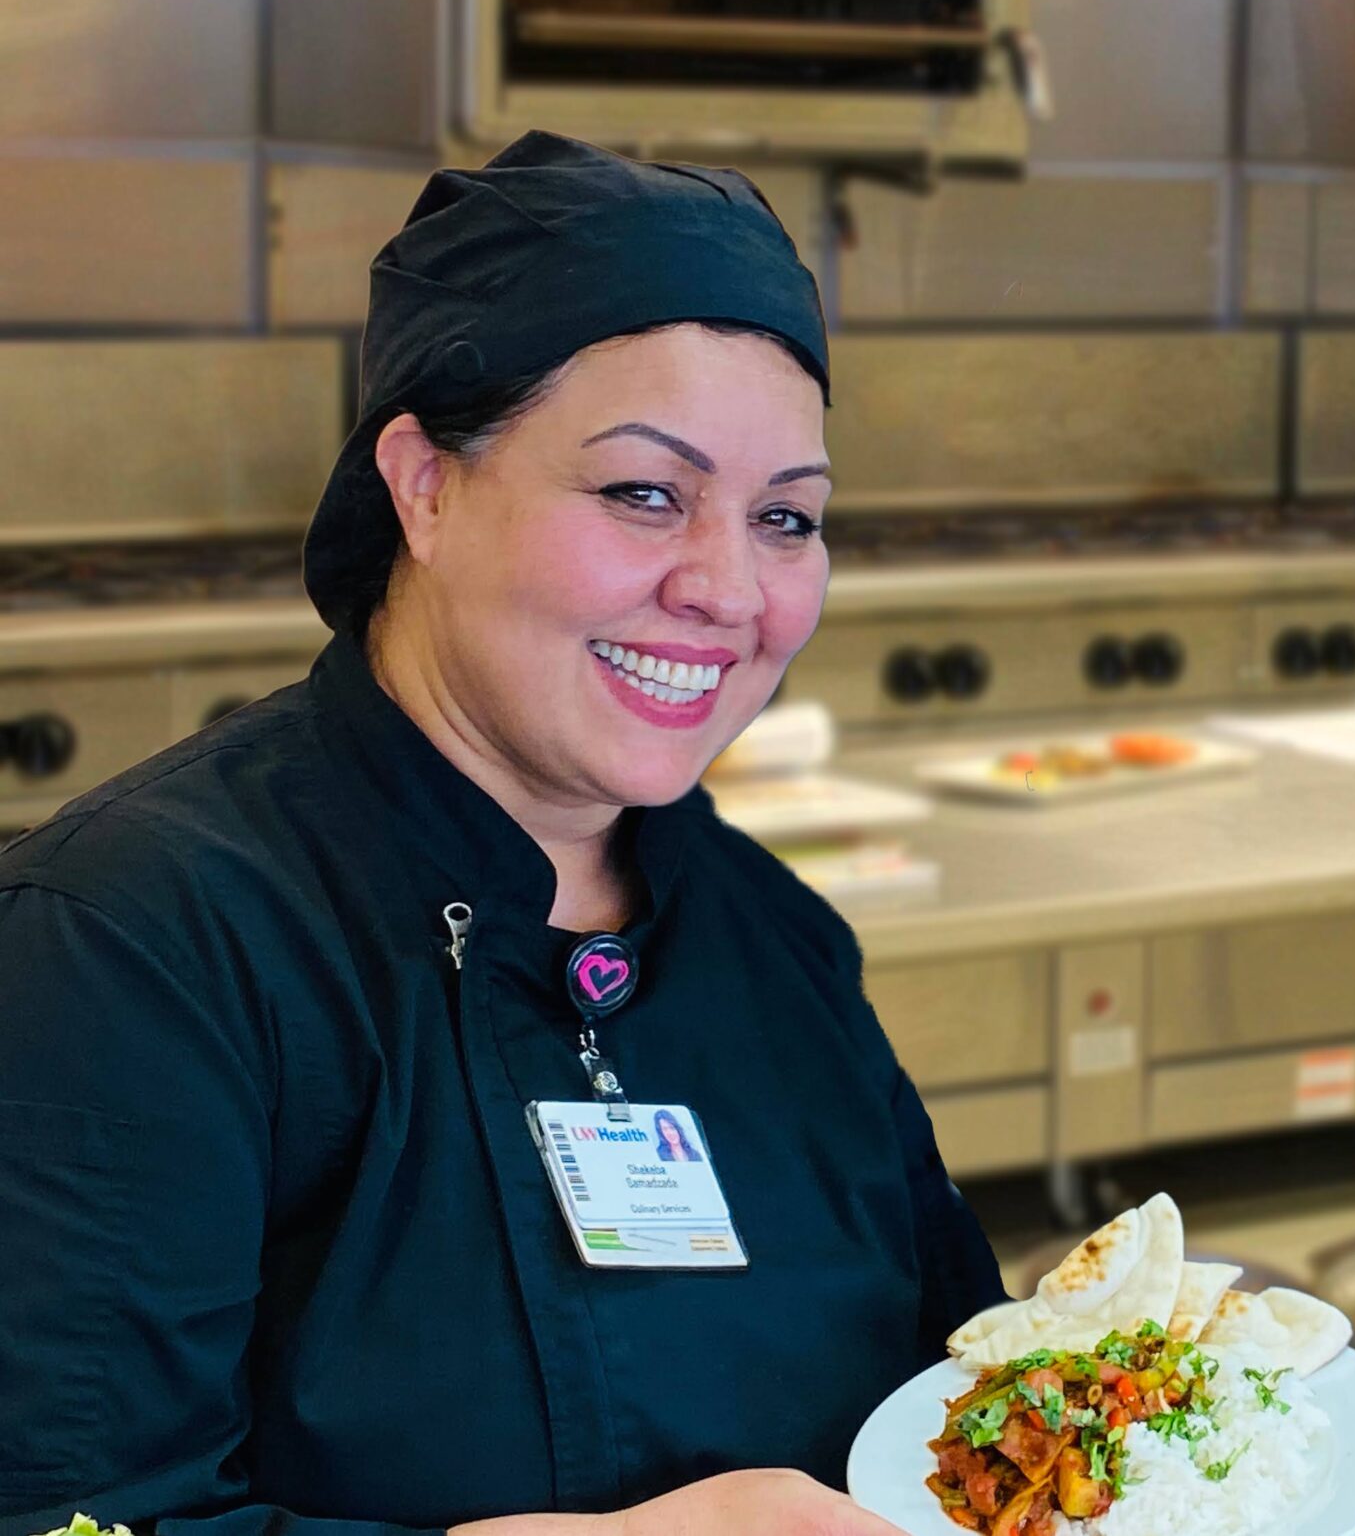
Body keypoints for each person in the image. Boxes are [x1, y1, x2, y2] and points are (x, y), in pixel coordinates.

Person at [0, 133, 1005, 1536]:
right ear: (422, 484)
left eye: (788, 517)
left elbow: (966, 1399)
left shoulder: (769, 938)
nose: (728, 587)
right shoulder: (133, 950)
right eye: (643, 491)